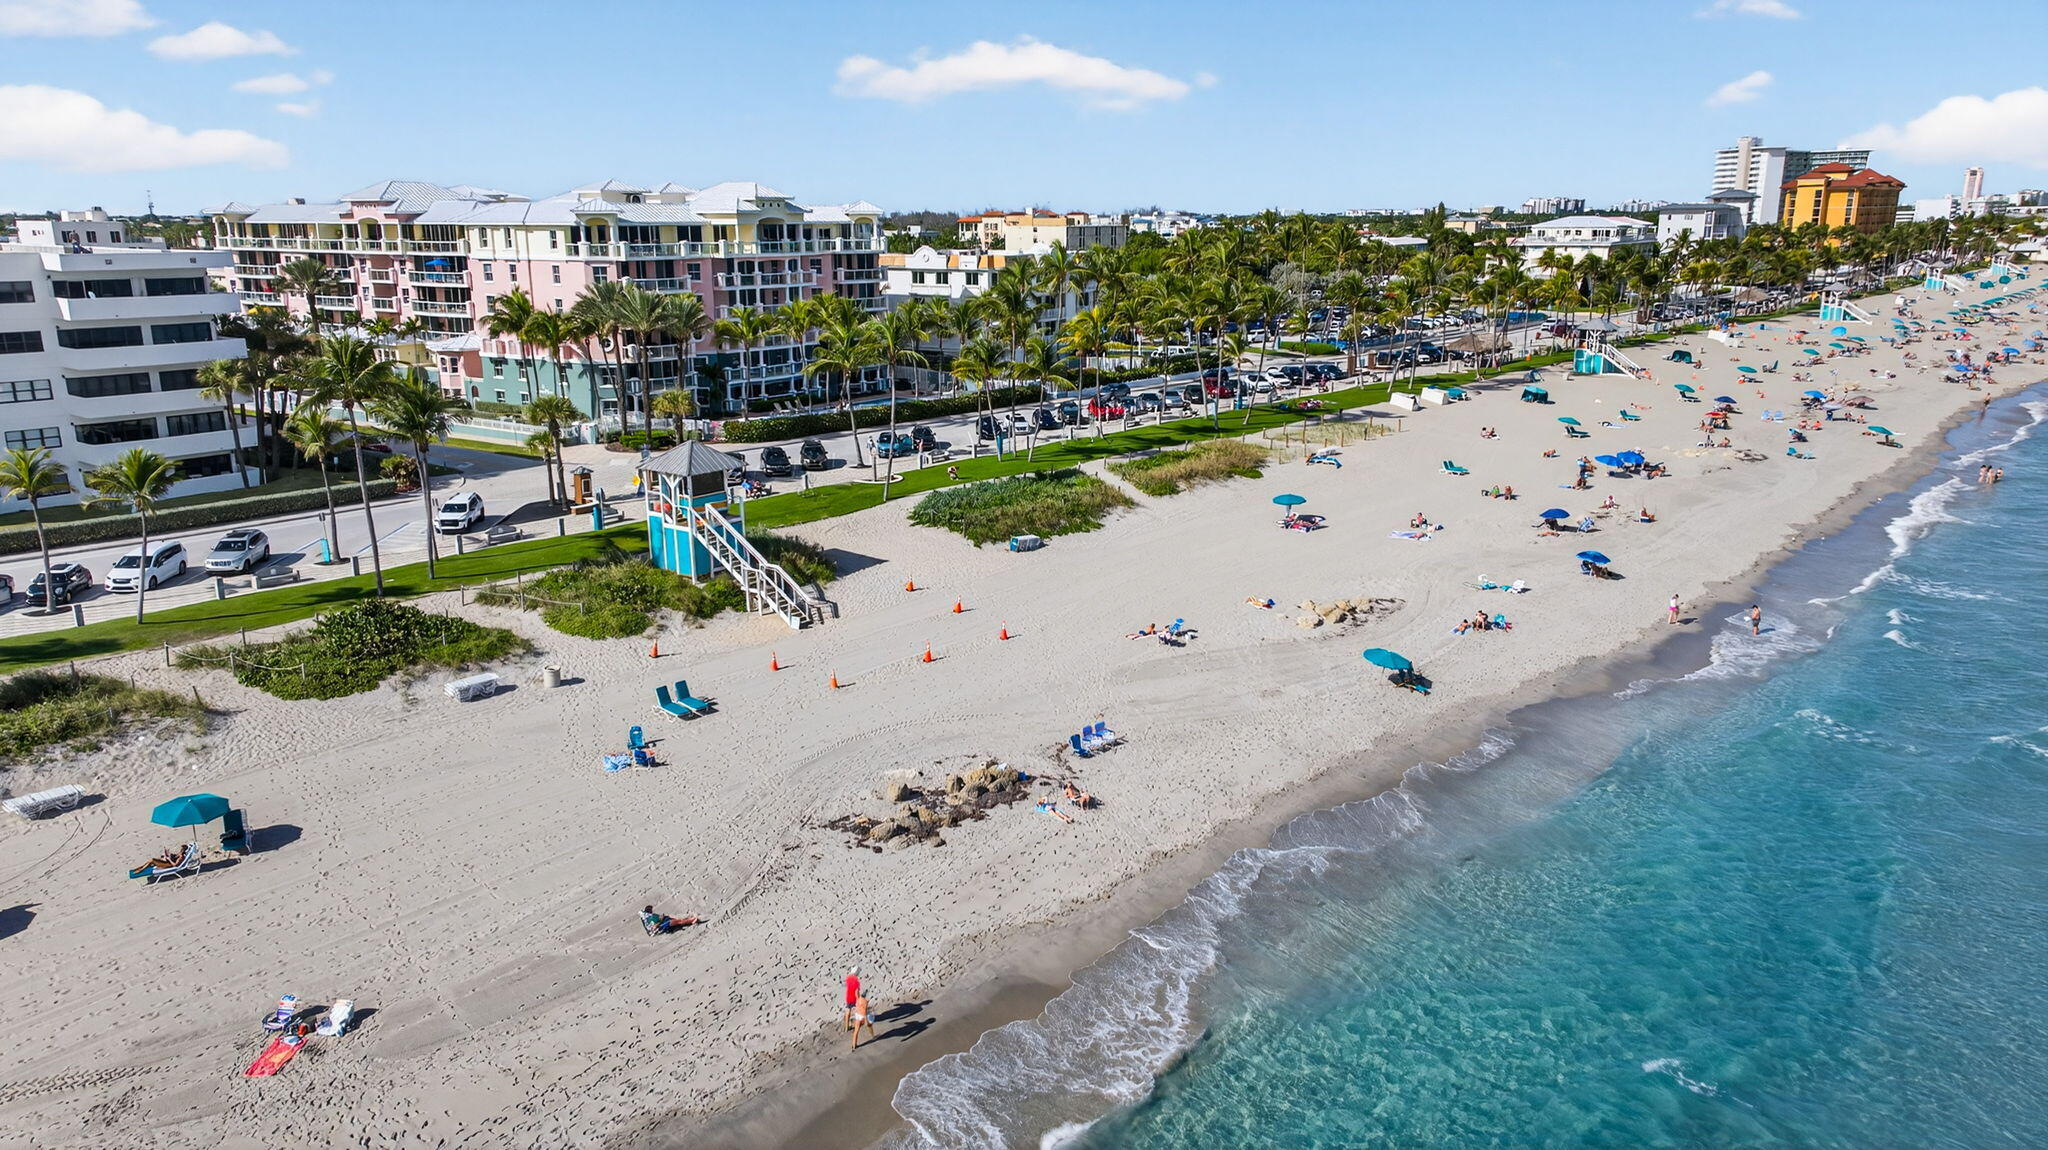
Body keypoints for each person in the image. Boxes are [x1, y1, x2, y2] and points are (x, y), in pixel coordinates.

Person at [843, 968, 862, 1032]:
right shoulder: (857, 982)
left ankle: (846, 1027)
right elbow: (857, 992)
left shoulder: (848, 978)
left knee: (848, 1010)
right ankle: (856, 1024)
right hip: (854, 998)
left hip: (848, 997)